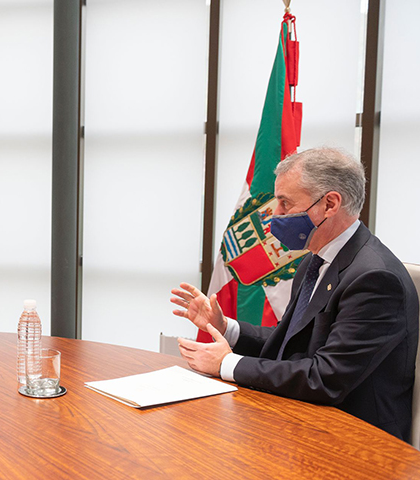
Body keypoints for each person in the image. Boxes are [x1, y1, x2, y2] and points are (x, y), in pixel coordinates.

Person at [171, 147, 418, 443]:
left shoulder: (375, 278)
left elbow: (326, 377)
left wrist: (226, 364)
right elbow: (290, 341)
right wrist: (226, 328)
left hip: (357, 442)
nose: (275, 216)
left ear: (329, 204)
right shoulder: (315, 261)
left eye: (285, 204)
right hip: (304, 421)